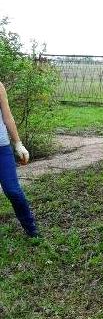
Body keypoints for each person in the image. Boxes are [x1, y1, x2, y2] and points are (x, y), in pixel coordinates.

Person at [0, 81, 39, 238]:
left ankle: (31, 230)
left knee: (13, 190)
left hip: (2, 149)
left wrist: (18, 144)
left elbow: (7, 117)